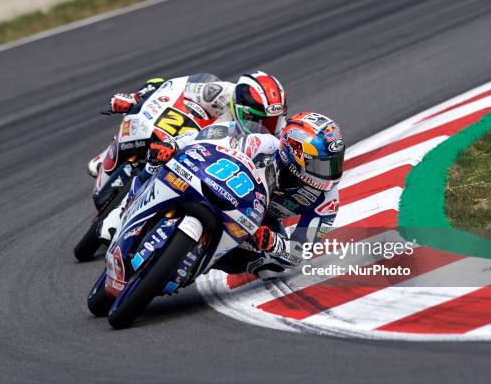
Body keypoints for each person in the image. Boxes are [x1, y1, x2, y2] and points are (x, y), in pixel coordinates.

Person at [102, 111, 345, 280]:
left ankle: (205, 261)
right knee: (160, 159)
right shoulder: (262, 144)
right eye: (323, 164)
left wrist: (273, 242)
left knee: (272, 264)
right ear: (295, 154)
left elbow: (300, 251)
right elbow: (210, 135)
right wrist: (174, 145)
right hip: (220, 184)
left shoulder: (327, 199)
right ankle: (123, 210)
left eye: (334, 162)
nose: (330, 172)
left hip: (259, 220)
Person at [87, 71, 287, 178]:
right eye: (259, 119)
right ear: (238, 107)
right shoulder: (220, 92)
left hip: (220, 166)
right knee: (157, 90)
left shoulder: (279, 136)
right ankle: (111, 150)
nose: (266, 125)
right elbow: (172, 87)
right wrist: (136, 99)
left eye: (272, 120)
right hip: (200, 134)